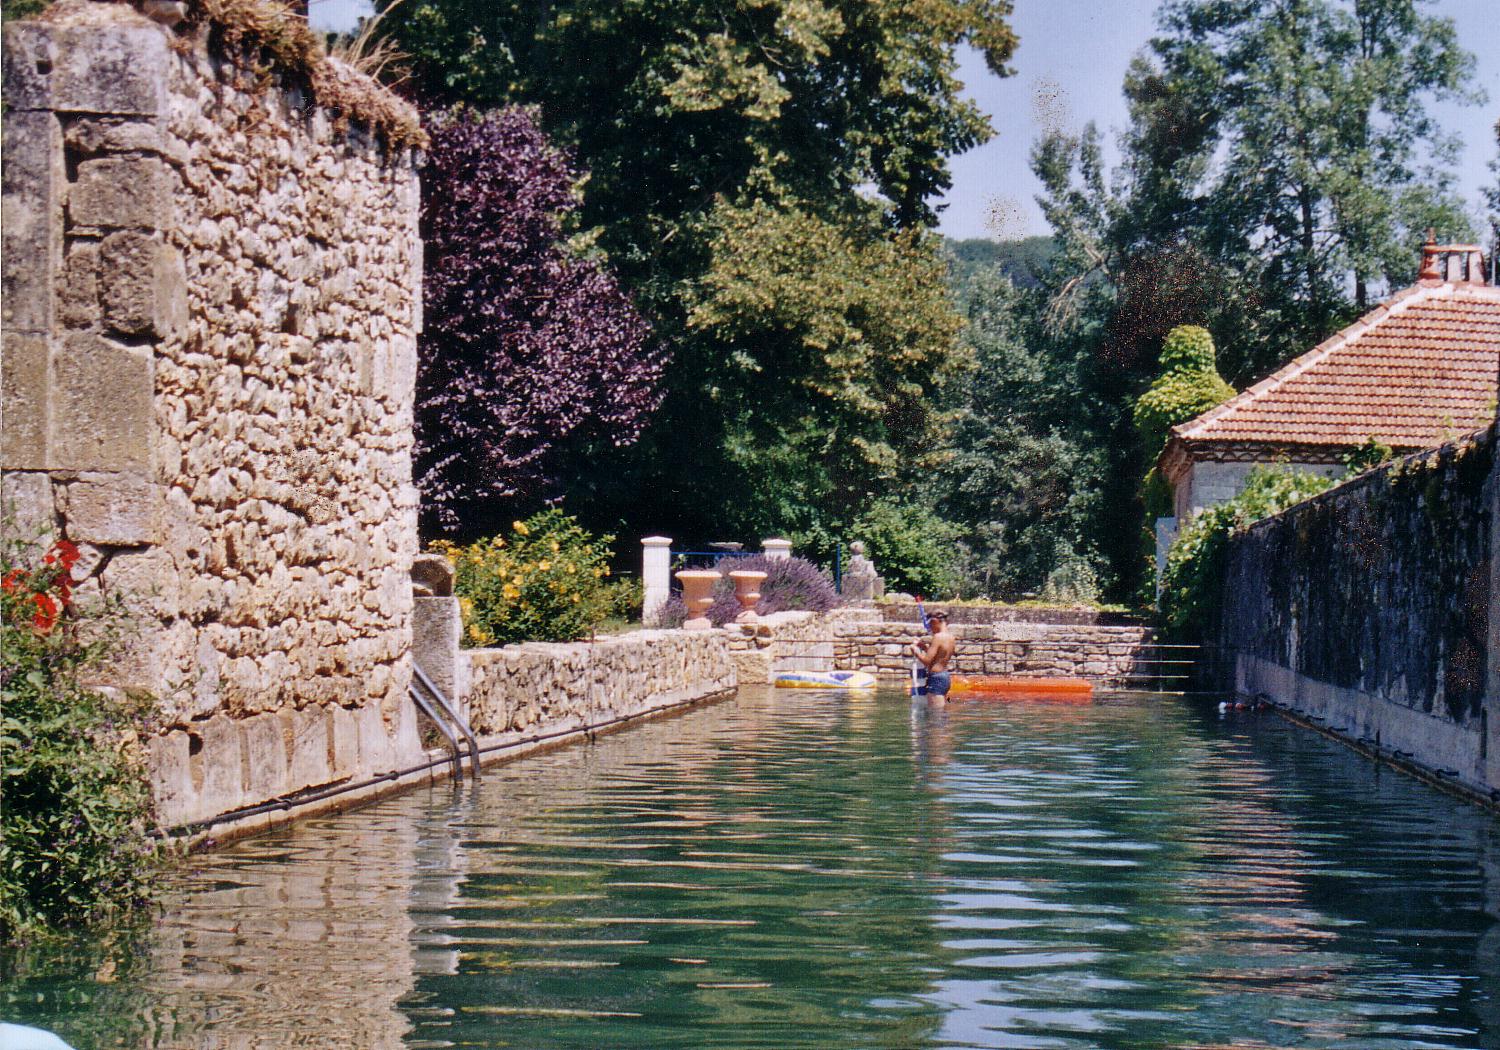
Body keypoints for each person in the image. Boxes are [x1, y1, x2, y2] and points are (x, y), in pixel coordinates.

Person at [911, 608, 954, 703]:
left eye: (930, 625)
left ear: (935, 621)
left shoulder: (938, 637)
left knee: (935, 713)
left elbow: (927, 661)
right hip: (944, 677)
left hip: (936, 678)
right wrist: (925, 647)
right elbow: (940, 656)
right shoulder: (951, 637)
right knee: (941, 711)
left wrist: (916, 652)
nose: (930, 628)